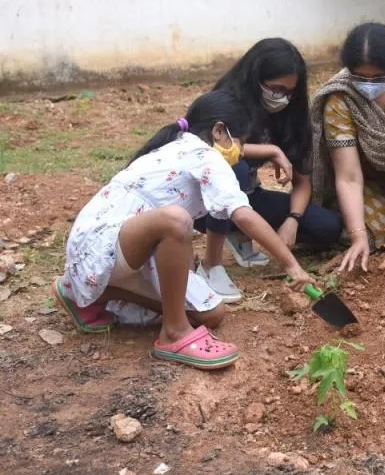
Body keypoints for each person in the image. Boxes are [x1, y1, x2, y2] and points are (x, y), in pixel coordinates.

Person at [53, 91, 316, 370]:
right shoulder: (206, 156)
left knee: (212, 313)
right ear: (219, 131)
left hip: (110, 249)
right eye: (240, 141)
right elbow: (243, 215)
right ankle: (174, 333)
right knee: (176, 221)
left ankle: (93, 293)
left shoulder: (175, 145)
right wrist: (291, 264)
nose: (240, 151)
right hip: (103, 243)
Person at [196, 39, 342, 302]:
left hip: (248, 197)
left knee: (328, 226)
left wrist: (292, 221)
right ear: (256, 79)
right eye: (276, 89)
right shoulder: (225, 104)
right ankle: (211, 264)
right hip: (204, 202)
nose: (283, 98)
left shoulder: (292, 117)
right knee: (234, 168)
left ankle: (240, 230)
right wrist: (271, 150)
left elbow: (302, 182)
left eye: (290, 92)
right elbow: (211, 151)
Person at [310, 23, 385, 273]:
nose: (368, 85)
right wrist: (358, 237)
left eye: (379, 78)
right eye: (359, 78)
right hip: (369, 182)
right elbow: (349, 177)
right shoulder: (340, 98)